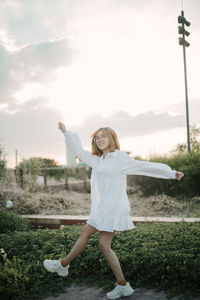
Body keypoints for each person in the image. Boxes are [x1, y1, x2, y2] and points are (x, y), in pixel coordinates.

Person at [43, 122, 184, 300]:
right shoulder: (97, 160)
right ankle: (123, 285)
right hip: (104, 207)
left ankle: (63, 265)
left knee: (86, 231)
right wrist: (66, 132)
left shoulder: (119, 158)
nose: (99, 139)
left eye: (103, 136)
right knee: (104, 245)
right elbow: (79, 151)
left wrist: (170, 172)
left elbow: (143, 166)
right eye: (97, 137)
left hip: (114, 207)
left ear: (111, 139)